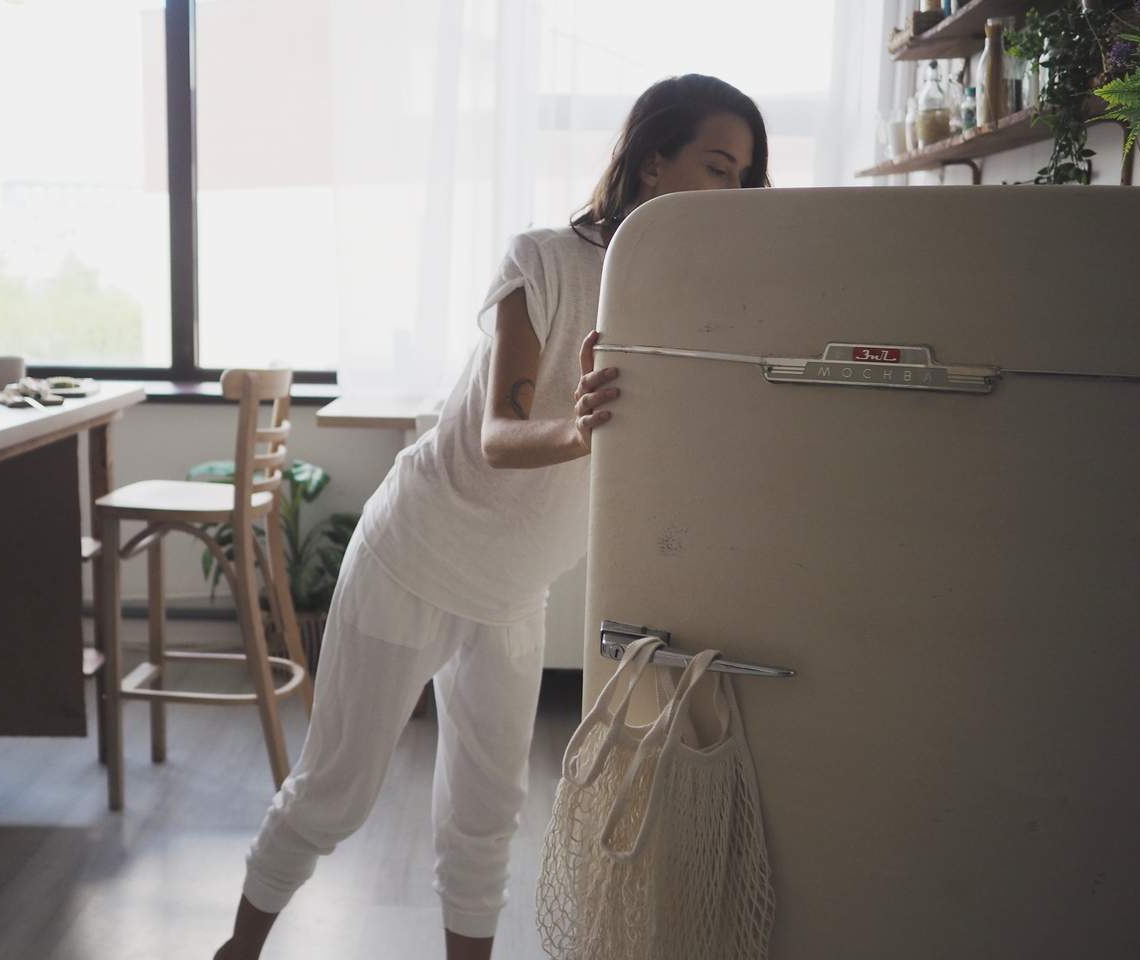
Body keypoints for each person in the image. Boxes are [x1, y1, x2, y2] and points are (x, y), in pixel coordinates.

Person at [214, 73, 770, 960]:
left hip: (512, 592)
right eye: (716, 166)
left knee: (487, 817)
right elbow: (499, 437)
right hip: (415, 557)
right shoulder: (542, 261)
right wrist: (579, 429)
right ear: (652, 164)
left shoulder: (686, 305)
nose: (731, 191)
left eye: (744, 176)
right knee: (334, 796)